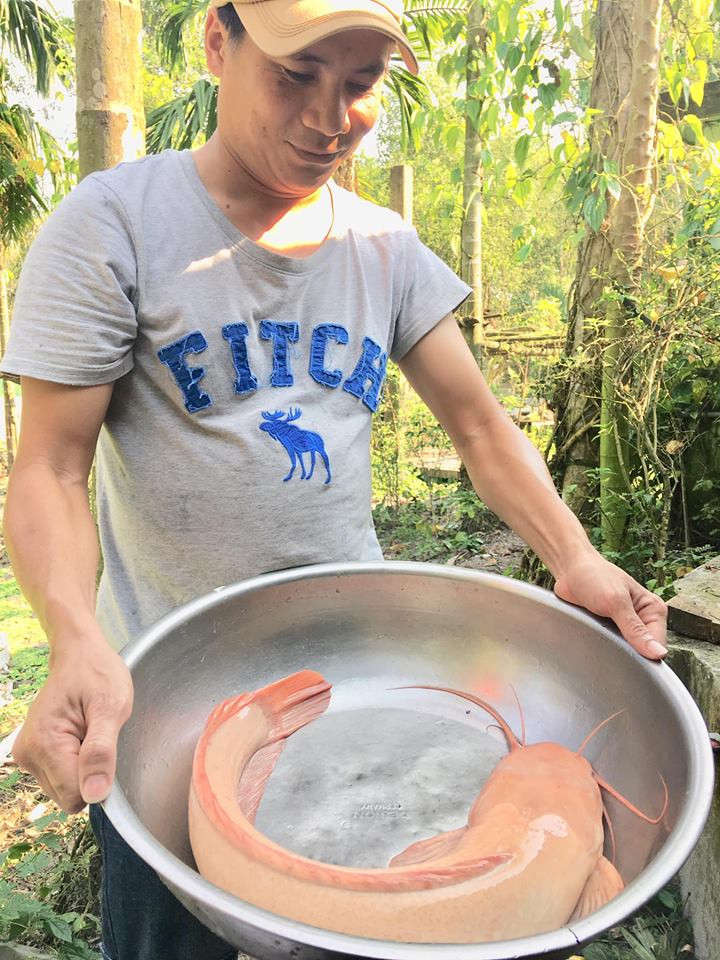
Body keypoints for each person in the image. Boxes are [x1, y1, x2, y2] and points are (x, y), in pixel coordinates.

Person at [1, 0, 667, 957]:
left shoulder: (383, 249)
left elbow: (479, 428)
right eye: (296, 74)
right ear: (217, 43)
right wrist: (71, 636)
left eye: (361, 84)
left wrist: (576, 557)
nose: (330, 117)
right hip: (167, 699)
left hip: (354, 687)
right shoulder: (113, 228)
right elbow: (53, 469)